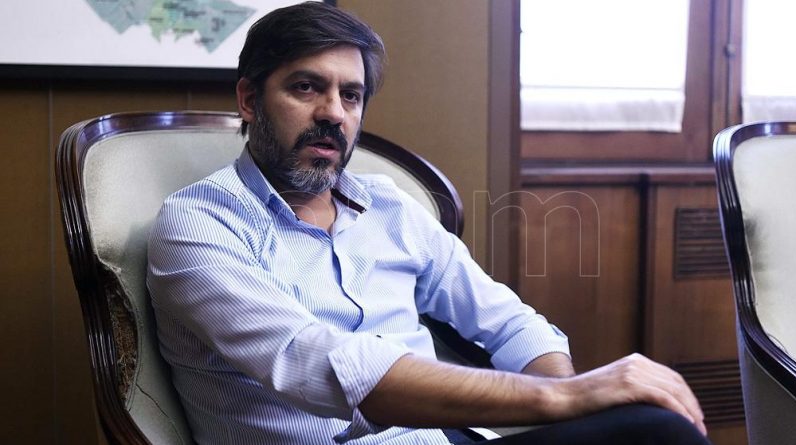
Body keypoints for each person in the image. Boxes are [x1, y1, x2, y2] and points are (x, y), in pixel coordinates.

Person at [146, 2, 712, 444]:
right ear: (250, 100)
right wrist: (566, 399)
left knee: (652, 425)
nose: (333, 114)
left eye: (351, 95)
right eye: (306, 87)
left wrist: (568, 396)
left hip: (451, 438)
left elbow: (508, 322)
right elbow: (322, 365)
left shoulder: (387, 205)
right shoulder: (197, 225)